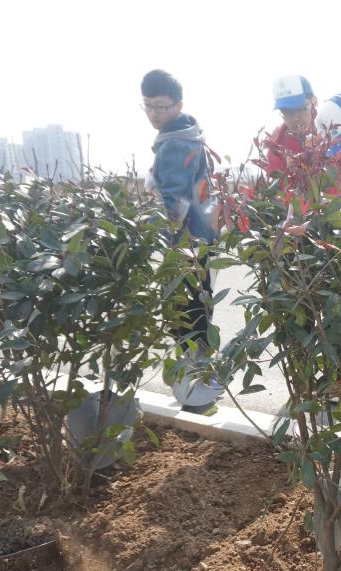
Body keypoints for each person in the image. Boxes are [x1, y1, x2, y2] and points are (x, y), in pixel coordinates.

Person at [140, 69, 222, 412]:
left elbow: (175, 202)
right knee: (198, 313)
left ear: (178, 105)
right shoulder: (186, 136)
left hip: (187, 244)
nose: (153, 113)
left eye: (160, 106)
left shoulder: (175, 143)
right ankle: (200, 388)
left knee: (187, 317)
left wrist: (154, 235)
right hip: (200, 239)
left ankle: (198, 394)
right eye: (148, 106)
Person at [265, 75, 317, 175]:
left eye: (300, 108)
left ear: (313, 102)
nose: (294, 118)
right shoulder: (276, 147)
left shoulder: (331, 133)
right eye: (286, 112)